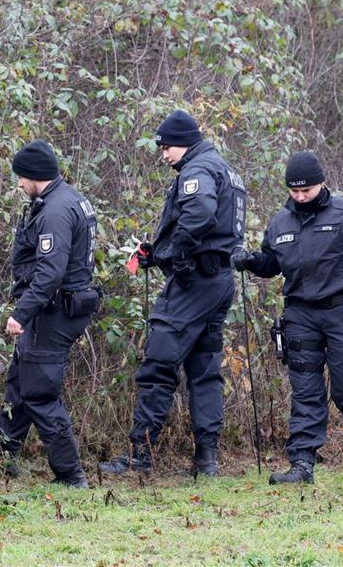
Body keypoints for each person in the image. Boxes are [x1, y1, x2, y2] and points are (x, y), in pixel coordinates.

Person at [232, 150, 343, 484]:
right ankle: (302, 464)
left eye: (305, 190)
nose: (299, 196)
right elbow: (271, 264)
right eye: (294, 191)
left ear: (321, 183)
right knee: (305, 391)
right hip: (300, 315)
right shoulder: (280, 223)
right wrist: (250, 261)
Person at [100, 110, 247, 477]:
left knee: (159, 363)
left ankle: (141, 453)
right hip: (218, 279)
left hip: (193, 284)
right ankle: (206, 460)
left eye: (167, 147)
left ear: (185, 142)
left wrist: (179, 253)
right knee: (204, 370)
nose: (164, 154)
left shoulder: (198, 169)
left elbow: (200, 214)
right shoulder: (222, 168)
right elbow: (211, 230)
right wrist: (158, 254)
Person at [0, 139, 101, 488]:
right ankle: (2, 456)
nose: (19, 183)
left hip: (53, 312)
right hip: (59, 307)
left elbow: (50, 273)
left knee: (38, 391)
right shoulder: (69, 198)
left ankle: (70, 474)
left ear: (34, 175)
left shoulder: (54, 211)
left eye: (21, 177)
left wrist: (21, 313)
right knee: (20, 380)